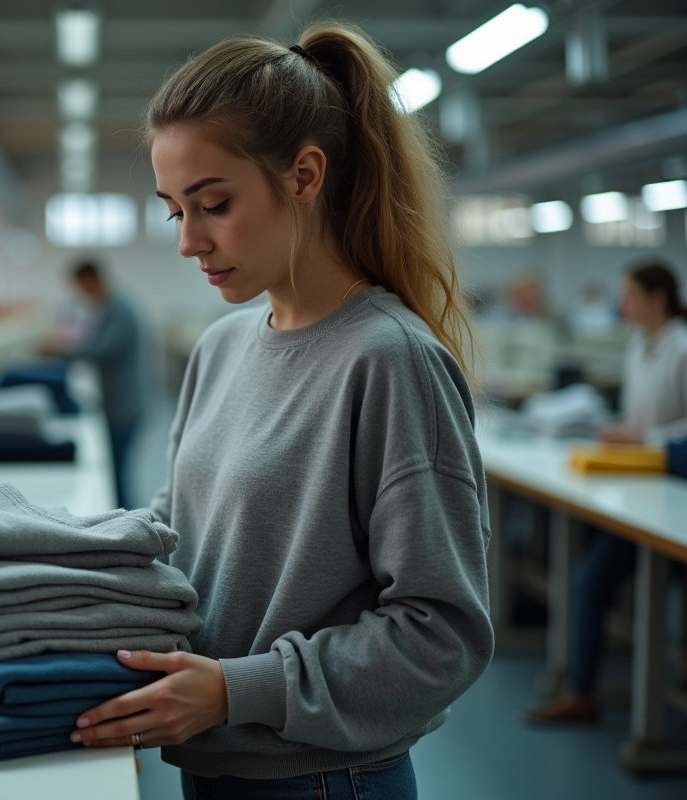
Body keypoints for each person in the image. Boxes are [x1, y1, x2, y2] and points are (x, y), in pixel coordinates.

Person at [65, 28, 494, 799]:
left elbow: (442, 635)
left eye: (214, 204)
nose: (190, 241)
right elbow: (181, 529)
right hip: (216, 766)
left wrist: (237, 690)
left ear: (304, 175)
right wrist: (55, 574)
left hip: (325, 780)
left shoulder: (389, 360)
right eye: (174, 212)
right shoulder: (222, 347)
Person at [525, 260, 687, 724]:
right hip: (640, 485)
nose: (622, 305)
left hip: (670, 488)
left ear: (658, 298)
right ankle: (584, 679)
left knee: (589, 579)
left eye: (630, 295)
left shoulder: (681, 348)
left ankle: (584, 689)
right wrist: (622, 430)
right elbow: (641, 420)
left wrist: (646, 439)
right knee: (588, 575)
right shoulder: (640, 346)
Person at [57, 261, 145, 509]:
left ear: (92, 280)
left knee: (116, 475)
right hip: (116, 402)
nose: (80, 294)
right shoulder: (108, 309)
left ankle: (128, 531)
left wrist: (60, 351)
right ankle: (125, 526)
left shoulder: (120, 311)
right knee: (114, 475)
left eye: (81, 287)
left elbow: (101, 350)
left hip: (124, 406)